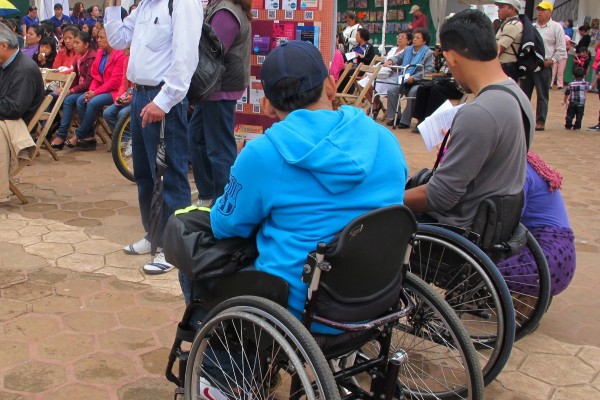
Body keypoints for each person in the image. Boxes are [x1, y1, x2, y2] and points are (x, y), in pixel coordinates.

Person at [180, 40, 408, 339]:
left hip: (296, 307)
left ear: (268, 106)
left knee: (190, 252)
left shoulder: (264, 154)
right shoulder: (384, 139)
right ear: (330, 85)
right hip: (378, 295)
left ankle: (223, 369)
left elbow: (225, 226)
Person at [403, 9, 534, 229]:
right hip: (493, 223)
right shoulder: (518, 96)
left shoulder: (479, 112)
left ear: (451, 56)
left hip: (459, 229)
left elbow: (439, 196)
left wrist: (382, 201)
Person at [105, 0, 203, 274]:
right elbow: (117, 38)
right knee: (145, 173)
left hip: (162, 97)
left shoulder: (182, 4)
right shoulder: (146, 6)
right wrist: (113, 7)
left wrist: (165, 100)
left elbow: (186, 57)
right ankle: (154, 236)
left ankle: (175, 249)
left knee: (170, 175)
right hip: (139, 95)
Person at [187, 0, 252, 209]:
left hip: (220, 89)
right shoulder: (221, 7)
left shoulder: (226, 11)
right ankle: (208, 194)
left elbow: (211, 51)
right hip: (212, 88)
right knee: (195, 138)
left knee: (219, 149)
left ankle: (224, 201)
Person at [496, 151, 575, 297]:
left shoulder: (519, 175)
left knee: (478, 268)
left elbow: (504, 223)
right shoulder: (526, 161)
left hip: (547, 262)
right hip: (562, 255)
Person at [0, 24, 45, 203]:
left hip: (15, 125)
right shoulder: (6, 63)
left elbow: (13, 109)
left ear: (3, 46)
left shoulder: (24, 70)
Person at [71, 27, 125, 150]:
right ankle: (89, 137)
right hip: (101, 89)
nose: (98, 40)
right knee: (81, 100)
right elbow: (96, 75)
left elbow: (115, 82)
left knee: (93, 102)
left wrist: (95, 93)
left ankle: (79, 135)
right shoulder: (101, 52)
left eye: (101, 37)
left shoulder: (120, 54)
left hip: (115, 91)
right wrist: (91, 91)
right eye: (97, 37)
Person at [520, 1, 566, 131]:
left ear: (550, 12)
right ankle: (523, 120)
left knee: (542, 95)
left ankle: (540, 121)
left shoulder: (556, 27)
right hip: (530, 64)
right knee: (524, 94)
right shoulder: (532, 27)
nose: (539, 12)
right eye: (538, 10)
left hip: (545, 65)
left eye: (543, 10)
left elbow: (561, 49)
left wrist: (551, 61)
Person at [50, 31, 96, 149]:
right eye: (74, 42)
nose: (74, 45)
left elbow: (88, 82)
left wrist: (72, 90)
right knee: (58, 96)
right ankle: (56, 132)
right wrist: (67, 88)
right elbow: (75, 77)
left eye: (77, 42)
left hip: (89, 89)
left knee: (71, 100)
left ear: (86, 45)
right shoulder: (78, 57)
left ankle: (66, 134)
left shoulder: (91, 58)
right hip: (80, 88)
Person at [383, 28, 435, 128]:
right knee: (391, 91)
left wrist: (414, 77)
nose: (414, 39)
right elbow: (398, 57)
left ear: (424, 41)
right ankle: (396, 117)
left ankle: (405, 120)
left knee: (413, 93)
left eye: (418, 38)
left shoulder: (428, 53)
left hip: (419, 81)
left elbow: (429, 70)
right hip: (405, 79)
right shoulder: (407, 49)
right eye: (414, 37)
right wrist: (390, 61)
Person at [102, 48, 132, 132]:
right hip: (126, 95)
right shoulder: (126, 60)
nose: (123, 49)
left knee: (122, 114)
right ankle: (123, 139)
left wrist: (131, 97)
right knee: (107, 113)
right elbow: (124, 83)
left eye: (126, 46)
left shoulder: (138, 62)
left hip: (136, 97)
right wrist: (119, 97)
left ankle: (130, 139)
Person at [495, 0, 523, 82]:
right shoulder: (508, 23)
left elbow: (498, 49)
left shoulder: (513, 25)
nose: (498, 10)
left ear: (512, 9)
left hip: (507, 68)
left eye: (502, 7)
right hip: (505, 67)